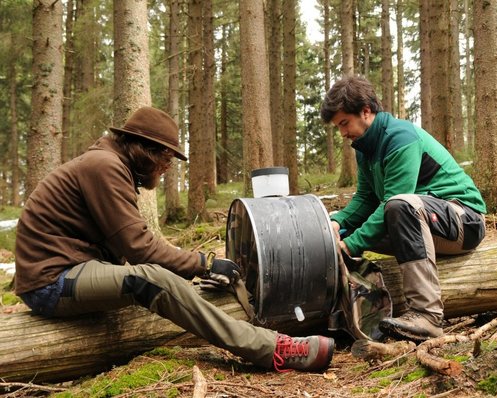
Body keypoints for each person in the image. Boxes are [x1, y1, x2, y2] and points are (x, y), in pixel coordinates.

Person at [14, 106, 334, 372]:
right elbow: (138, 248)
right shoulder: (104, 166)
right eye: (166, 158)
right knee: (153, 280)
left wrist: (194, 274)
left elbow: (131, 243)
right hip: (52, 282)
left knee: (161, 279)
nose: (167, 167)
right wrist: (203, 264)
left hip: (75, 269)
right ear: (145, 150)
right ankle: (271, 349)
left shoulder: (109, 163)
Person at [320, 76, 487, 341]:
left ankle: (427, 317)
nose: (342, 133)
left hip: (465, 222)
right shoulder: (365, 148)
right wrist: (337, 225)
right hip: (426, 225)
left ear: (365, 111)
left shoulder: (400, 137)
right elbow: (365, 198)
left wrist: (350, 245)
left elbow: (393, 200)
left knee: (399, 206)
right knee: (361, 223)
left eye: (344, 123)